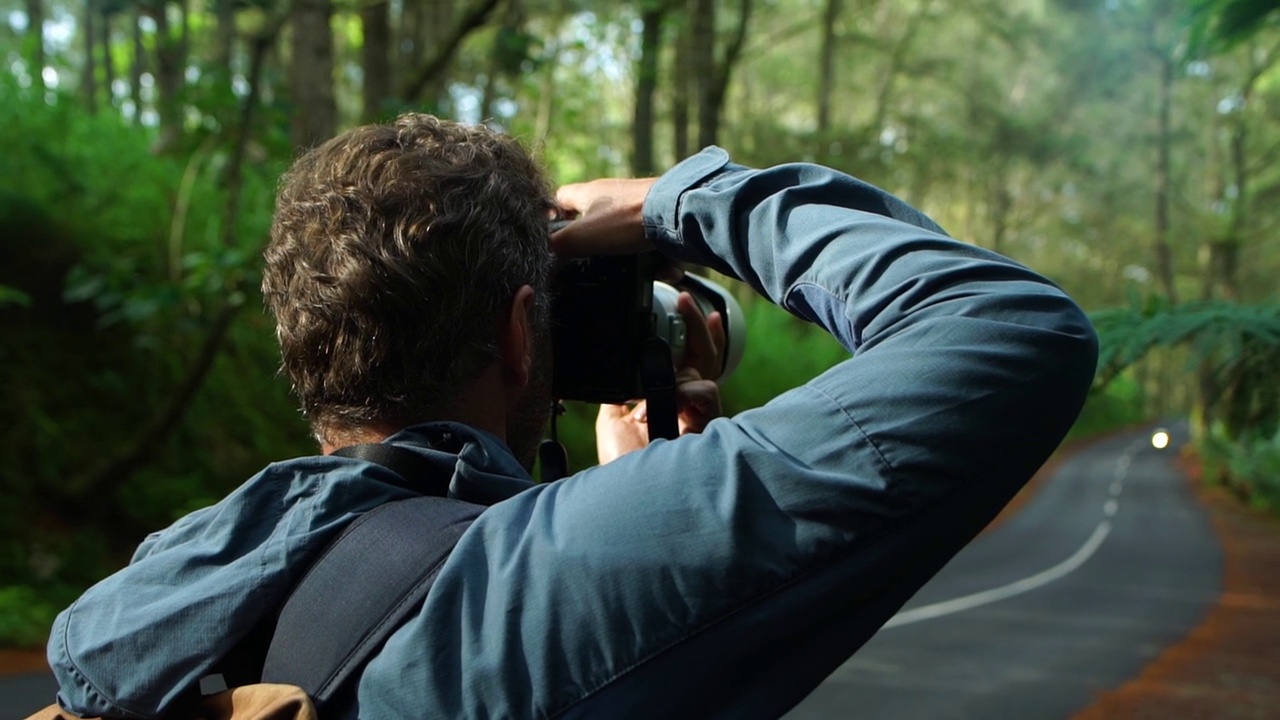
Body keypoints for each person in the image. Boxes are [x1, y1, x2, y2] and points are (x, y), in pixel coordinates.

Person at [45, 114, 1097, 719]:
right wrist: (675, 199)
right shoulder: (533, 587)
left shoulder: (176, 584)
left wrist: (589, 501)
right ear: (517, 334)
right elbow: (1003, 330)